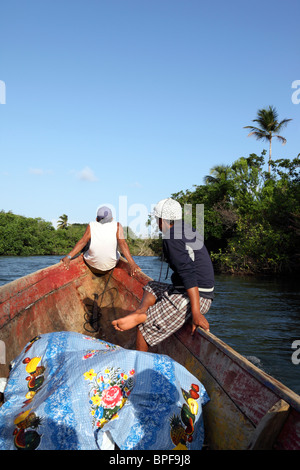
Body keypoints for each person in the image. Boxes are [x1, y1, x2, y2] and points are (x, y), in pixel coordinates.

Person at [112, 198, 214, 352]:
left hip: (197, 296)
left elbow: (189, 275)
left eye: (157, 219)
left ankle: (139, 371)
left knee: (143, 329)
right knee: (151, 286)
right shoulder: (187, 229)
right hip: (191, 290)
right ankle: (141, 312)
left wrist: (196, 313)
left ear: (162, 220)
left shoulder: (171, 236)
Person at [61, 206, 140, 276]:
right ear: (112, 219)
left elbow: (82, 242)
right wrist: (132, 263)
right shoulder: (117, 225)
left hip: (92, 265)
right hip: (111, 265)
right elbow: (122, 244)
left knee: (86, 245)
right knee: (118, 251)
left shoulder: (91, 225)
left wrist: (68, 257)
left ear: (96, 219)